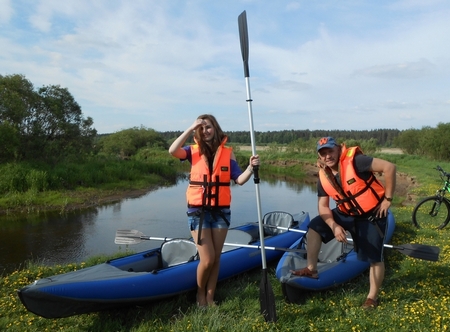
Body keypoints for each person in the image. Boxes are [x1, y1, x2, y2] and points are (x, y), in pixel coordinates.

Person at [292, 136, 396, 309]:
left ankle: (372, 298)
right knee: (315, 227)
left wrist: (388, 199)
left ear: (339, 149)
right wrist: (334, 226)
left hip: (371, 214)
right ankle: (311, 269)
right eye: (323, 153)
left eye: (330, 151)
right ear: (319, 157)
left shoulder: (357, 161)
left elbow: (389, 167)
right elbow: (323, 206)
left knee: (374, 258)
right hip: (345, 213)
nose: (327, 156)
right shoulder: (323, 175)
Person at [169, 114, 259, 307]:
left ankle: (210, 297)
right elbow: (172, 150)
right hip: (198, 212)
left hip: (220, 212)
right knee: (207, 259)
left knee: (216, 258)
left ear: (215, 128)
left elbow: (239, 180)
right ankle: (200, 294)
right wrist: (190, 128)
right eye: (201, 128)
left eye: (208, 127)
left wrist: (251, 168)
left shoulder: (228, 153)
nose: (205, 131)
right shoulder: (191, 151)